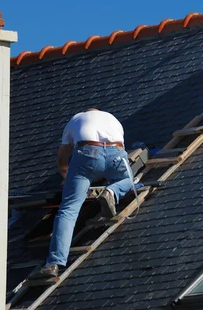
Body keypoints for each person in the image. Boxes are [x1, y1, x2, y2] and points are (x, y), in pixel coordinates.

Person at [31, 109, 133, 280]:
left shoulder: (75, 119)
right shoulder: (112, 119)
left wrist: (67, 178)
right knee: (129, 180)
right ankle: (111, 192)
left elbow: (62, 160)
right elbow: (114, 150)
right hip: (117, 154)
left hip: (87, 154)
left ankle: (54, 263)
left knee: (68, 210)